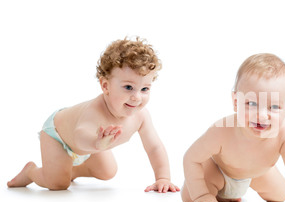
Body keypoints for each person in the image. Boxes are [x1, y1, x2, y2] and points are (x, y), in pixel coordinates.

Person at [7, 37, 180, 193]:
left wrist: (163, 178)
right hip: (59, 136)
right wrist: (97, 143)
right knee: (58, 184)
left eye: (145, 89)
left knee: (107, 171)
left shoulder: (141, 116)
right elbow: (79, 135)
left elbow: (154, 147)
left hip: (95, 144)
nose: (137, 97)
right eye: (128, 87)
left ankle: (69, 170)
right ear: (105, 86)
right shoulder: (96, 110)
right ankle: (31, 171)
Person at [181, 53, 285, 202]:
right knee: (190, 198)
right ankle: (216, 194)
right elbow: (191, 158)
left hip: (257, 174)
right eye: (251, 104)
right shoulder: (222, 130)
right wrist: (201, 195)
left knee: (281, 195)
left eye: (274, 106)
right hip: (219, 172)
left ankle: (230, 193)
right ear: (236, 101)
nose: (262, 116)